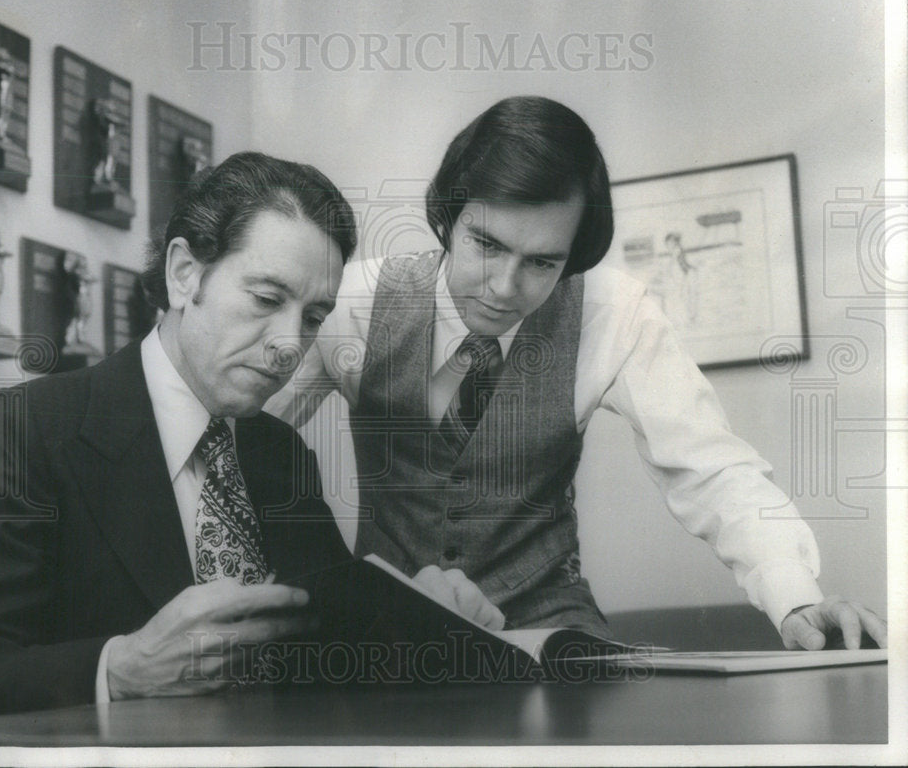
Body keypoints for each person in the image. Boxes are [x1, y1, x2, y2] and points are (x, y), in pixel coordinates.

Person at [271, 96, 887, 651]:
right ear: (447, 216)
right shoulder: (349, 303)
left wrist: (796, 596)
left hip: (554, 636)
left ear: (575, 254)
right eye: (485, 244)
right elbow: (246, 444)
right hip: (390, 636)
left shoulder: (614, 313)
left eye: (542, 262)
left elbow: (713, 470)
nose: (505, 288)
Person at [0, 151, 501, 722]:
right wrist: (116, 669)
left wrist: (420, 616)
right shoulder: (29, 429)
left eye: (312, 317)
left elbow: (328, 652)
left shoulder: (281, 453)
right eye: (267, 300)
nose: (289, 345)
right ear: (185, 273)